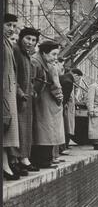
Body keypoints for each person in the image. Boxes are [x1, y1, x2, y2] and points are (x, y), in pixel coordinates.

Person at [10, 27, 41, 174]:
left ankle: (23, 158)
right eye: (28, 38)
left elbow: (29, 78)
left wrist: (32, 90)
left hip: (26, 99)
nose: (30, 42)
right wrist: (20, 92)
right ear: (21, 37)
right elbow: (12, 75)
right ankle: (16, 160)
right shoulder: (16, 51)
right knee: (18, 130)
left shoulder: (26, 54)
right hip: (17, 98)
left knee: (25, 129)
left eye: (33, 40)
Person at [31, 40, 65, 168]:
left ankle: (45, 159)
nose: (55, 58)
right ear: (44, 53)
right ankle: (44, 160)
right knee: (46, 131)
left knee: (44, 132)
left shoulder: (43, 61)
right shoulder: (40, 63)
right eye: (53, 54)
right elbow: (55, 84)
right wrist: (59, 97)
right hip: (44, 101)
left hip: (43, 100)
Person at [3, 13, 20, 180]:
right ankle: (5, 166)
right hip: (4, 94)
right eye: (8, 25)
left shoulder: (7, 43)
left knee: (7, 131)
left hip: (9, 94)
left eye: (14, 26)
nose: (12, 29)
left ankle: (7, 163)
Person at [59, 68, 83, 150]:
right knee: (66, 127)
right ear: (75, 75)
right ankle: (64, 145)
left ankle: (66, 144)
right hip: (67, 109)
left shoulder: (71, 83)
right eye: (78, 78)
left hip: (70, 109)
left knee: (69, 127)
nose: (78, 80)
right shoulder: (68, 82)